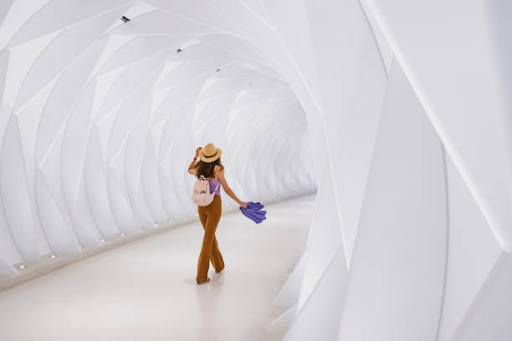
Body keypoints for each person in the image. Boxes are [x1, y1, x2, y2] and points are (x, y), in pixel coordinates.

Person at [188, 143, 247, 285]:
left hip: (201, 206)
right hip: (214, 206)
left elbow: (190, 169)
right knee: (208, 240)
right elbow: (227, 189)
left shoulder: (199, 169)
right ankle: (201, 276)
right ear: (216, 157)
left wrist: (195, 156)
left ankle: (219, 265)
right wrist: (239, 201)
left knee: (209, 237)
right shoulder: (218, 169)